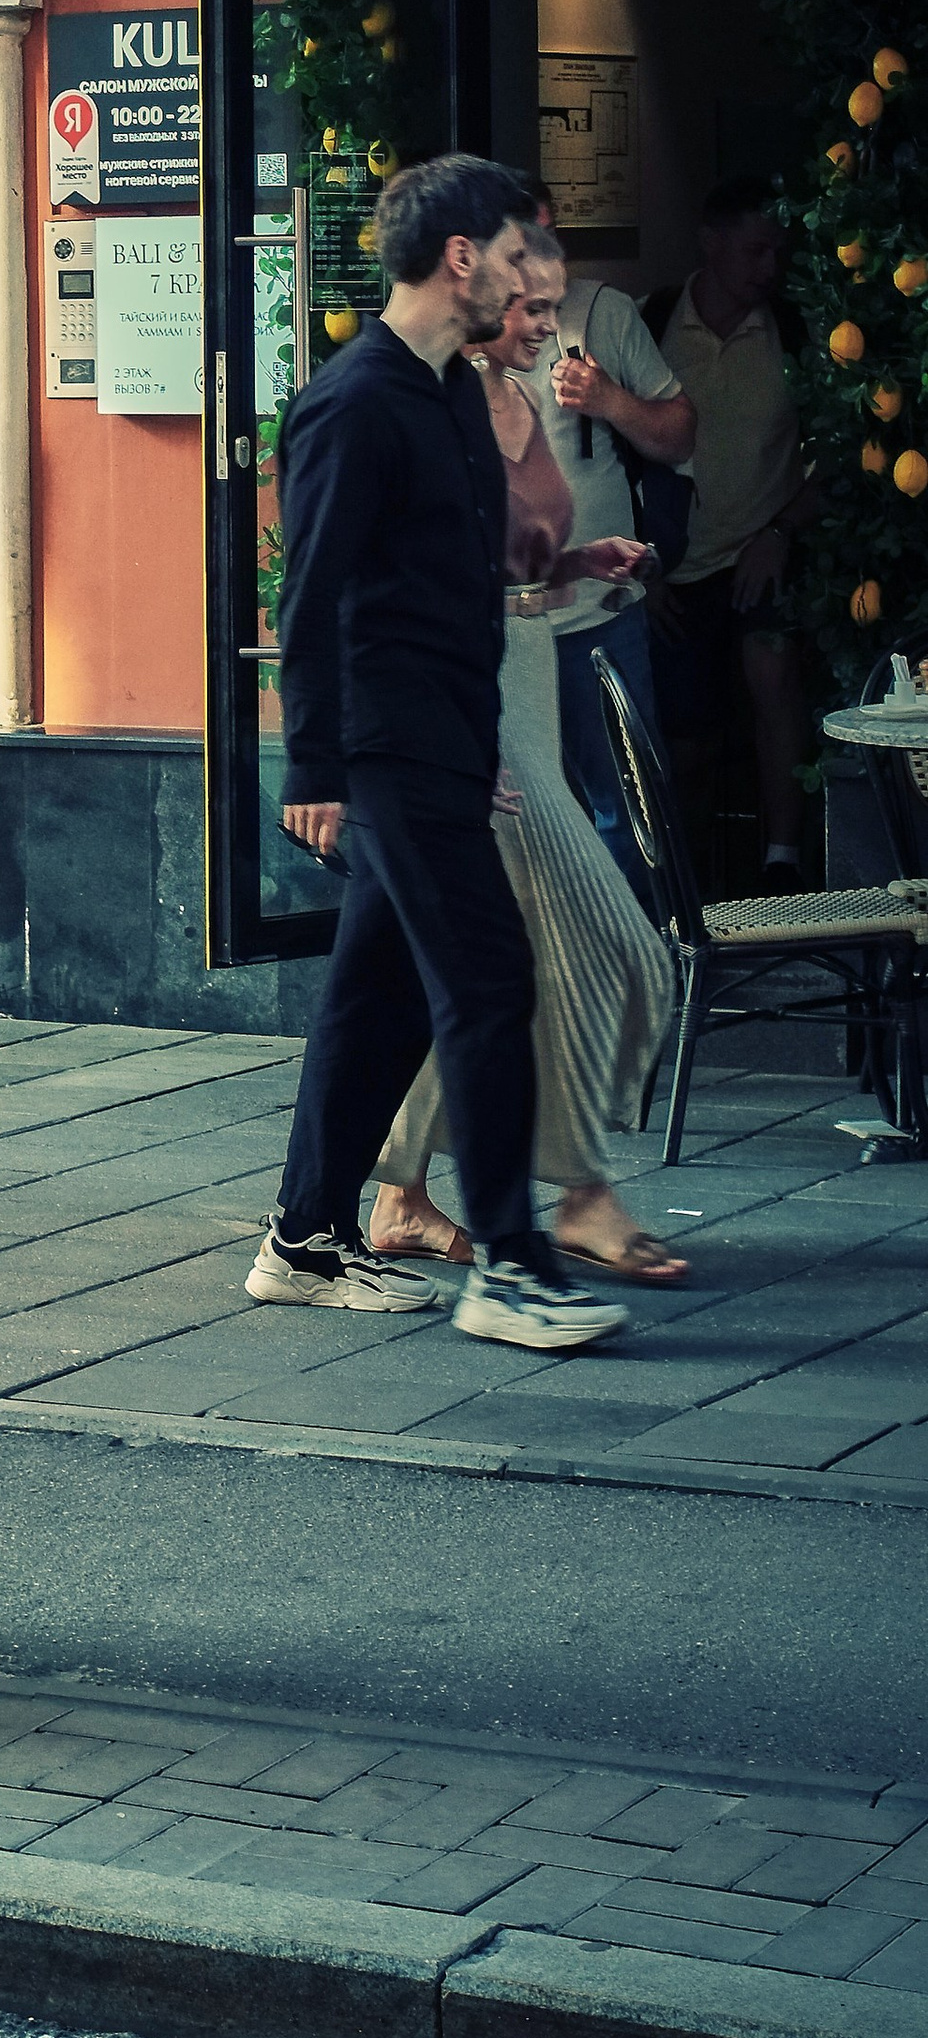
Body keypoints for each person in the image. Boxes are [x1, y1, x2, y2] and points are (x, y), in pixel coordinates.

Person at [251, 152, 626, 1354]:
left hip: (445, 743)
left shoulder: (448, 394)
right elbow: (308, 597)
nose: (531, 277)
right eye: (516, 254)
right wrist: (312, 767)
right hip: (383, 748)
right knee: (487, 979)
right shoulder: (354, 399)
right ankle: (512, 1268)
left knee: (383, 992)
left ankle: (303, 1239)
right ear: (460, 258)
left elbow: (455, 580)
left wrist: (562, 575)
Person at [367, 232, 685, 1286]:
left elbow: (514, 573)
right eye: (536, 307)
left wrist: (581, 561)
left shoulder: (518, 401)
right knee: (611, 946)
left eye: (555, 307)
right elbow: (410, 585)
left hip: (527, 677)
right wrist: (459, 737)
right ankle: (575, 1193)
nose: (554, 326)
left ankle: (402, 1193)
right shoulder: (438, 409)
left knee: (488, 966)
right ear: (485, 296)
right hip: (479, 702)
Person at [520, 203, 696, 899]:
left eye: (551, 227)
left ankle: (638, 968)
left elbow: (681, 437)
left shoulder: (604, 314)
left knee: (629, 811)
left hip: (601, 616)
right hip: (506, 630)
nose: (547, 245)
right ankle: (562, 980)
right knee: (524, 818)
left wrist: (611, 401)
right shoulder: (459, 336)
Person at [649, 180, 819, 891]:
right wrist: (643, 564)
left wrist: (780, 531)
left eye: (776, 251)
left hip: (764, 546)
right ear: (710, 243)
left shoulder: (793, 327)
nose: (768, 267)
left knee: (772, 679)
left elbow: (838, 449)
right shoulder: (654, 320)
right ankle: (687, 881)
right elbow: (618, 448)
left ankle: (782, 863)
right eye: (754, 250)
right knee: (685, 733)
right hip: (679, 560)